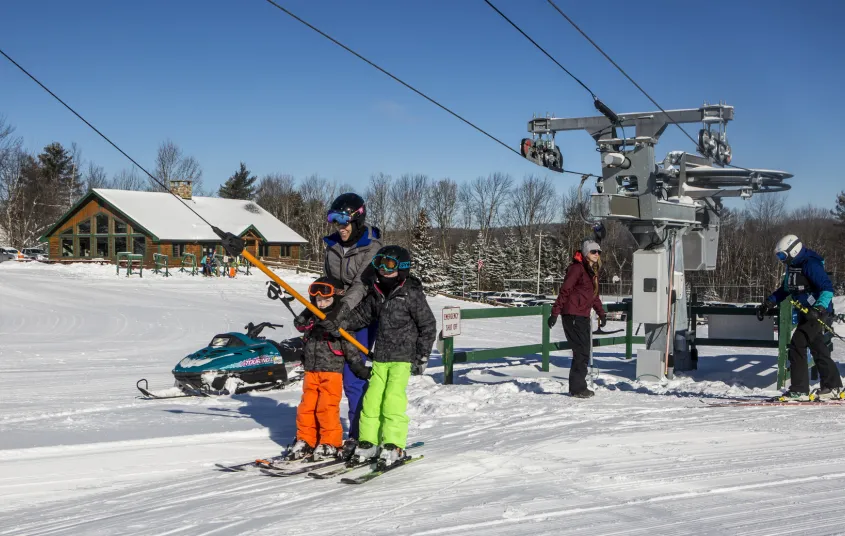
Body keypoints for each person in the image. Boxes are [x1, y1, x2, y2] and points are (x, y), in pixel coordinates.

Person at [318, 245, 436, 468]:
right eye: (379, 263)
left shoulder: (411, 293)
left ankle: (393, 443)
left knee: (392, 401)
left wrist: (422, 355)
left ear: (401, 267)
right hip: (380, 358)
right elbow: (362, 316)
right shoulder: (377, 292)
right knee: (371, 402)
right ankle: (368, 441)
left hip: (402, 358)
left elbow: (427, 325)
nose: (383, 269)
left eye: (389, 264)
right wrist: (338, 323)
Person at [322, 193, 382, 458]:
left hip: (364, 314)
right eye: (334, 220)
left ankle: (360, 434)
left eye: (344, 220)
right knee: (331, 375)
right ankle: (326, 433)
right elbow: (330, 281)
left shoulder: (372, 247)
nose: (340, 227)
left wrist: (343, 309)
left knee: (354, 376)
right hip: (338, 315)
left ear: (358, 219)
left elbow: (362, 283)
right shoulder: (333, 246)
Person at [286, 276, 370, 461]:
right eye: (318, 300)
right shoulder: (313, 317)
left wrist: (357, 366)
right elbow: (304, 335)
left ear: (337, 298)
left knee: (326, 407)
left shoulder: (339, 321)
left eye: (326, 299)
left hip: (331, 371)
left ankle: (330, 442)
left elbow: (350, 345)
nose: (322, 303)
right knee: (306, 407)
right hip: (311, 370)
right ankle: (306, 439)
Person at [757, 234, 840, 401]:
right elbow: (786, 289)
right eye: (779, 256)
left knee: (797, 343)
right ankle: (833, 386)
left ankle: (800, 389)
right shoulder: (792, 266)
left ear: (793, 251)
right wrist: (769, 303)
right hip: (806, 312)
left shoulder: (810, 264)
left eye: (782, 256)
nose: (781, 260)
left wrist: (819, 308)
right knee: (817, 347)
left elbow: (827, 288)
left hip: (817, 313)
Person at [547, 239, 607, 399]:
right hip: (573, 315)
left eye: (598, 252)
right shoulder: (576, 269)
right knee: (581, 352)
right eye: (594, 251)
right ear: (586, 252)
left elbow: (593, 296)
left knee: (583, 352)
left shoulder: (590, 272)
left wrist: (601, 312)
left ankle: (577, 387)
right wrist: (555, 313)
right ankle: (578, 388)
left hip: (582, 316)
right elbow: (565, 290)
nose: (597, 254)